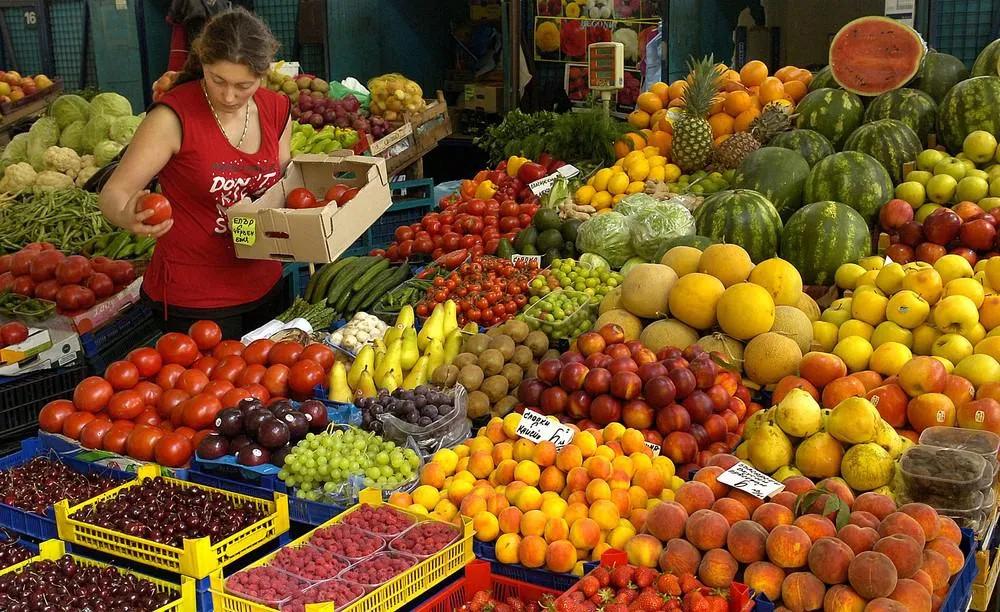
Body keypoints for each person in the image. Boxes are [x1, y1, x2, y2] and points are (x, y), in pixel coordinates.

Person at [99, 7, 291, 339]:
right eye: (218, 80)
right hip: (196, 300)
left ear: (263, 74)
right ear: (202, 63)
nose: (229, 96)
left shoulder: (276, 109)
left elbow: (284, 178)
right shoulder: (172, 117)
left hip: (266, 283)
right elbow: (113, 194)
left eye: (243, 85)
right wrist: (127, 215)